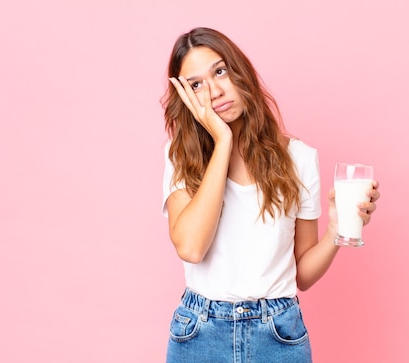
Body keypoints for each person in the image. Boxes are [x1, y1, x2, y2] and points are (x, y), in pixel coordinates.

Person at [161, 27, 380, 363]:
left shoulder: (300, 159)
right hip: (200, 334)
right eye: (196, 85)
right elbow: (191, 248)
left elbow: (302, 275)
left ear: (241, 72)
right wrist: (222, 142)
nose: (215, 91)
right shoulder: (180, 157)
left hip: (277, 333)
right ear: (186, 99)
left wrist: (337, 231)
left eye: (220, 71)